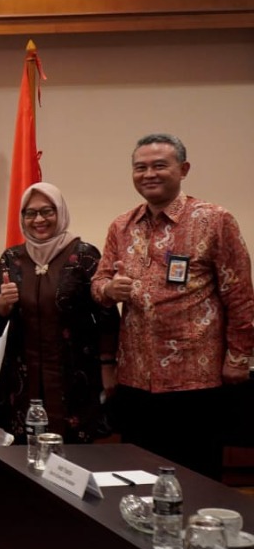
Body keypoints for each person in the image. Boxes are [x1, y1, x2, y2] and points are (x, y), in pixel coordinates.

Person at [91, 133, 254, 480]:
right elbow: (98, 284)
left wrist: (239, 359)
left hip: (195, 380)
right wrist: (109, 289)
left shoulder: (215, 220)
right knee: (140, 477)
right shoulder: (121, 226)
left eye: (159, 166)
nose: (149, 174)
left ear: (183, 169)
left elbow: (240, 295)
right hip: (135, 378)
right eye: (140, 167)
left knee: (196, 478)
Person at [0, 182, 120, 445]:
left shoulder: (83, 255)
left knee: (75, 448)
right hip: (24, 371)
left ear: (60, 212)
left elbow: (106, 313)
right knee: (26, 448)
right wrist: (1, 303)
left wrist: (108, 366)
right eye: (30, 213)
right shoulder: (12, 257)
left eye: (47, 211)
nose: (39, 219)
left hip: (75, 371)